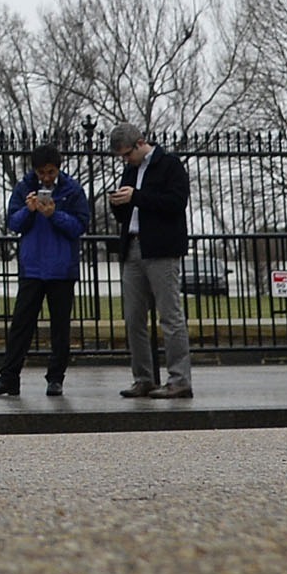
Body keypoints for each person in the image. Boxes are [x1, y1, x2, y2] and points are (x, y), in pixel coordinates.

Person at [0, 145, 87, 398]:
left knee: (60, 327)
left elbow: (80, 225)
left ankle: (55, 378)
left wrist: (54, 215)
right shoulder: (23, 188)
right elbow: (13, 223)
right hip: (33, 267)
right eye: (41, 173)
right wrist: (28, 210)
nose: (46, 178)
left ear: (58, 168)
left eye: (50, 172)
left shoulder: (73, 190)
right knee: (21, 325)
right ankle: (9, 377)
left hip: (61, 268)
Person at [108, 125, 192, 400]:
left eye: (127, 154)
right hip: (132, 245)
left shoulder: (169, 165)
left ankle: (179, 379)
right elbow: (127, 214)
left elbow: (176, 202)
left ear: (140, 143)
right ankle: (143, 378)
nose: (125, 160)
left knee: (170, 316)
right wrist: (118, 204)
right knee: (134, 318)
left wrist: (137, 197)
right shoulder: (131, 171)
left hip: (161, 248)